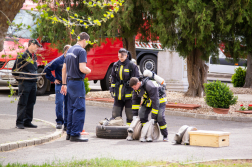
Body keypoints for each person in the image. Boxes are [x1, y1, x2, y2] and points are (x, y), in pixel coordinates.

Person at [61, 32, 91, 142]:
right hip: (78, 83)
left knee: (71, 108)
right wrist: (89, 70)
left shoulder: (69, 50)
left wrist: (64, 84)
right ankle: (75, 134)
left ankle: (69, 133)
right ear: (84, 40)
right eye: (87, 42)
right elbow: (83, 68)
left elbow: (64, 68)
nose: (87, 44)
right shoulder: (81, 51)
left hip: (69, 82)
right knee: (79, 108)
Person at [12, 39, 42, 129]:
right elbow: (15, 71)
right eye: (36, 45)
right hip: (25, 83)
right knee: (22, 103)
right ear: (31, 44)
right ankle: (19, 122)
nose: (37, 48)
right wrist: (21, 79)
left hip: (33, 82)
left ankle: (27, 121)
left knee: (31, 102)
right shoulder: (22, 56)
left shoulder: (34, 56)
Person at [129, 76, 169, 142]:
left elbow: (155, 102)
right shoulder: (136, 88)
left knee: (159, 117)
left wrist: (153, 117)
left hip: (159, 100)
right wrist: (135, 115)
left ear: (138, 83)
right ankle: (147, 132)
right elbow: (135, 101)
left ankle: (165, 136)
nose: (134, 89)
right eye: (133, 88)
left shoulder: (150, 86)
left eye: (134, 87)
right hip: (149, 100)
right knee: (141, 114)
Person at [109, 48, 139, 125]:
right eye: (119, 57)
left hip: (129, 95)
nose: (120, 59)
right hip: (118, 94)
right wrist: (112, 89)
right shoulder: (116, 65)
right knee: (115, 115)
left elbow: (136, 79)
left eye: (122, 57)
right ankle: (117, 131)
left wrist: (135, 93)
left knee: (130, 115)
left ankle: (129, 131)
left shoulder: (132, 66)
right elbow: (113, 78)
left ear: (126, 55)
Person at [44, 45, 71, 130]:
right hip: (60, 85)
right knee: (59, 103)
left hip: (69, 85)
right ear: (66, 51)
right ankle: (59, 121)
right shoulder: (59, 60)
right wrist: (53, 79)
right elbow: (46, 68)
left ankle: (67, 123)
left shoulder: (72, 60)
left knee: (68, 104)